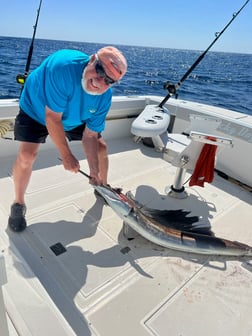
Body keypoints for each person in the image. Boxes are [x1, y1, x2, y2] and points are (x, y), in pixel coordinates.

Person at [8, 46, 127, 232]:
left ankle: (101, 185)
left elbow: (90, 135)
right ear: (92, 59)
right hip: (36, 109)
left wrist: (93, 169)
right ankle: (18, 204)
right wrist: (66, 155)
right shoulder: (63, 68)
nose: (100, 81)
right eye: (100, 71)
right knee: (27, 156)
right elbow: (52, 118)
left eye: (109, 80)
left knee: (101, 148)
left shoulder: (104, 98)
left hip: (73, 116)